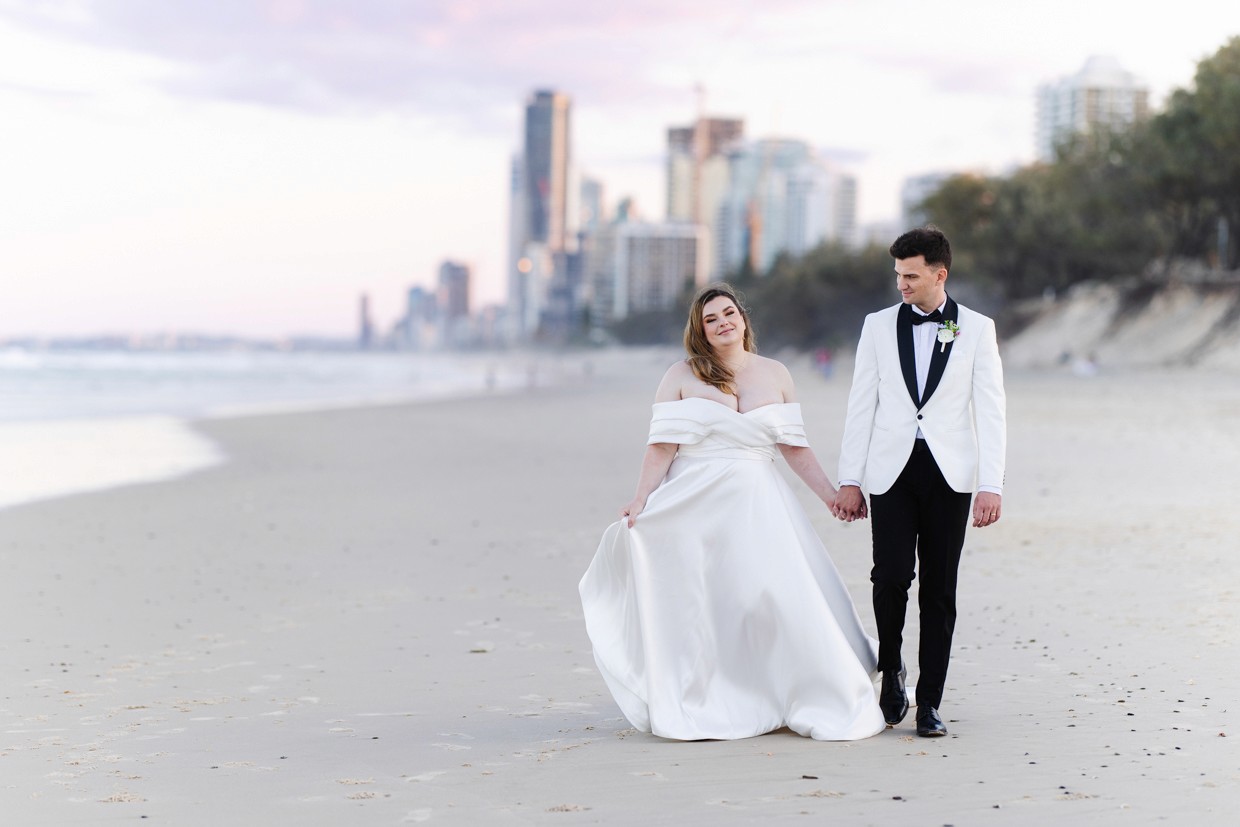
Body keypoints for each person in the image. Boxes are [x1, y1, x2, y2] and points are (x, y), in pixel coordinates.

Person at [578, 284, 885, 742]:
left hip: (759, 501)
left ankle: (794, 689)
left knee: (774, 594)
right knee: (711, 601)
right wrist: (640, 499)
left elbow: (794, 447)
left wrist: (831, 495)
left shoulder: (776, 373)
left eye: (728, 313)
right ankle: (719, 696)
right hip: (695, 501)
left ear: (742, 316)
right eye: (711, 319)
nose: (722, 323)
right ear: (700, 330)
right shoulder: (681, 374)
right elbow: (662, 445)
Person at [833, 227, 1007, 738]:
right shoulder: (877, 326)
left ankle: (929, 702)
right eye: (897, 276)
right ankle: (892, 672)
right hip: (891, 471)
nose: (901, 285)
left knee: (939, 589)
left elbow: (991, 411)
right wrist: (850, 478)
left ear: (939, 274)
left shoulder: (976, 329)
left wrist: (990, 484)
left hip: (951, 476)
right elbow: (860, 404)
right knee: (889, 578)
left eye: (911, 276)